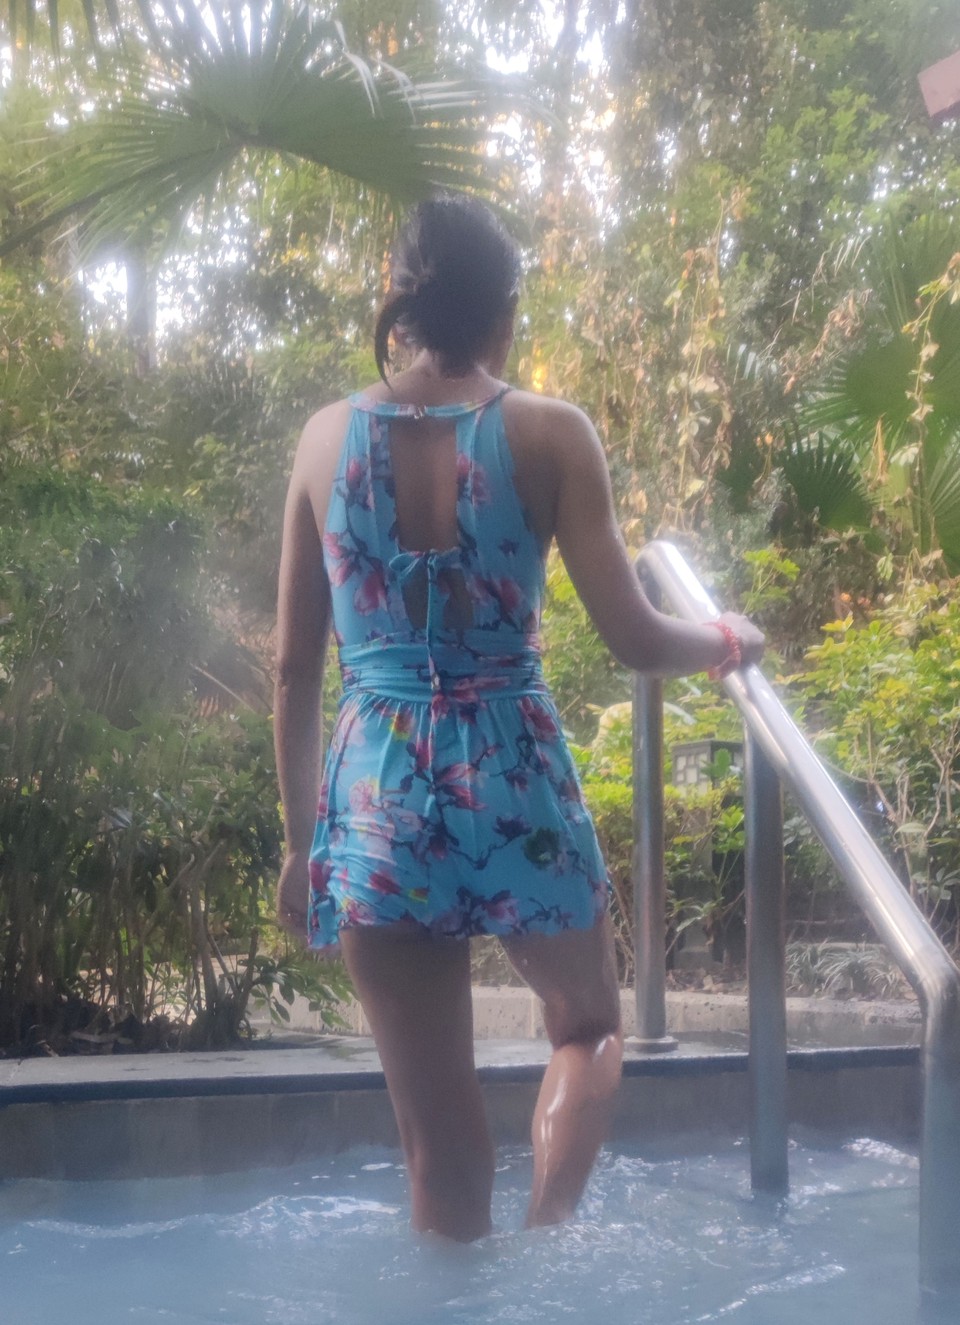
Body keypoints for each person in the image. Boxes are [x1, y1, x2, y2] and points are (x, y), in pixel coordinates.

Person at [274, 195, 764, 1244]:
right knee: (588, 1028)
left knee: (440, 1153)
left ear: (401, 304)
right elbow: (636, 636)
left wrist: (299, 843)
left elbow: (292, 668)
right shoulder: (548, 433)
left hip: (377, 795)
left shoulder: (323, 441)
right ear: (504, 311)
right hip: (512, 773)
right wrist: (723, 637)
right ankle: (548, 1243)